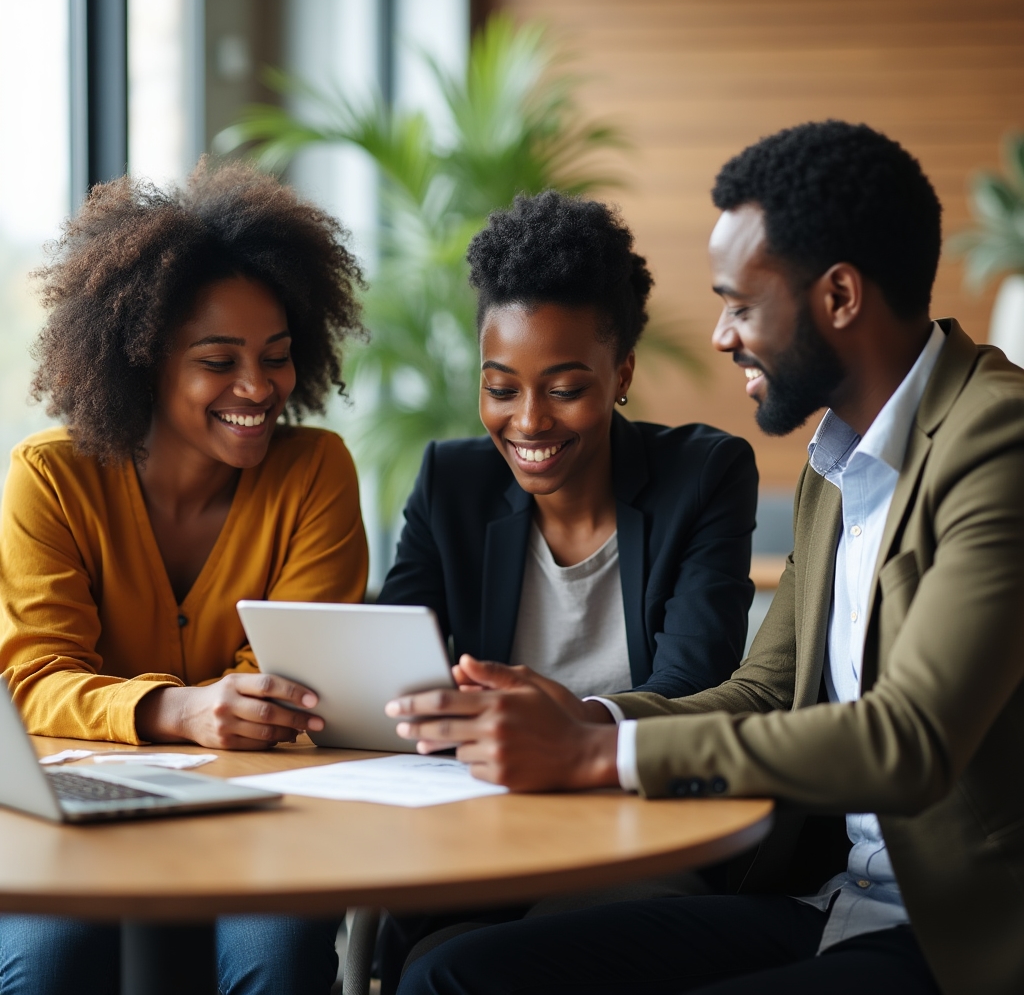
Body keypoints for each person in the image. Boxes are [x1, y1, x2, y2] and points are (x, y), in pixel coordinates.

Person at [388, 121, 1024, 994]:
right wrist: (591, 723)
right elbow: (763, 691)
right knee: (451, 979)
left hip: (954, 936)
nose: (722, 336)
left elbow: (908, 741)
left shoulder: (1000, 441)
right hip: (834, 903)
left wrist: (594, 759)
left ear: (838, 297)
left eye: (740, 304)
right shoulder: (838, 464)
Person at [0, 160, 368, 995]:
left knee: (277, 966)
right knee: (45, 967)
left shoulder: (315, 472)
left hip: (268, 804)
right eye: (219, 360)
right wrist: (177, 708)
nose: (258, 388)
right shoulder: (50, 477)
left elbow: (294, 684)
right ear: (142, 360)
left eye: (276, 357)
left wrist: (224, 711)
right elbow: (31, 681)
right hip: (78, 810)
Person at [374, 191, 759, 990]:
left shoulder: (704, 475)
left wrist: (566, 724)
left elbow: (695, 686)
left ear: (620, 373)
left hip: (637, 833)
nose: (528, 421)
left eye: (564, 386)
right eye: (502, 386)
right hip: (478, 833)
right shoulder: (453, 481)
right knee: (415, 959)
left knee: (456, 971)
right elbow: (390, 668)